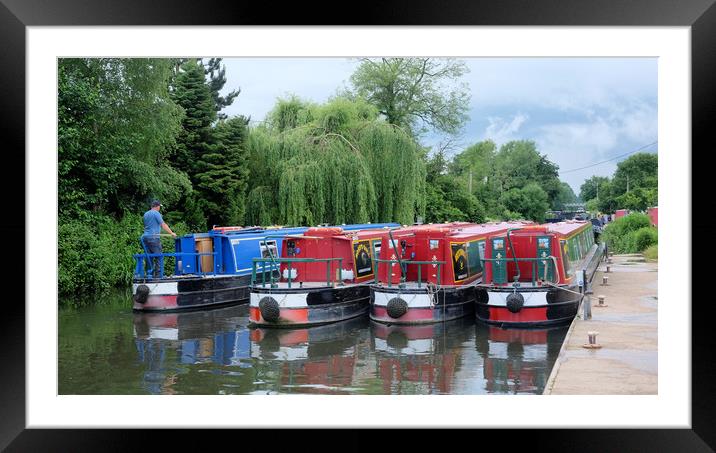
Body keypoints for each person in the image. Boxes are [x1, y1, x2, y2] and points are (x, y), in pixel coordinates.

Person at [141, 200, 177, 278]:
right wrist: (171, 233)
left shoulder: (146, 214)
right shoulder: (156, 213)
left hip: (145, 238)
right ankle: (158, 276)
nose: (159, 208)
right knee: (159, 256)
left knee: (149, 257)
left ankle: (148, 275)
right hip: (153, 238)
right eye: (159, 207)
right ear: (157, 206)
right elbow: (163, 225)